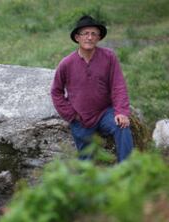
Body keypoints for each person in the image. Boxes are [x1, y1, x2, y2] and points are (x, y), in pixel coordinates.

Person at [51, 15, 134, 162]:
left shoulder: (109, 57)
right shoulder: (66, 63)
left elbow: (118, 85)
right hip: (81, 118)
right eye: (85, 34)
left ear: (99, 37)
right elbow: (56, 91)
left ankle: (126, 171)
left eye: (94, 34)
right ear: (77, 37)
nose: (89, 37)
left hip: (105, 113)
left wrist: (121, 112)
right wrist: (71, 114)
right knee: (85, 162)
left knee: (122, 127)